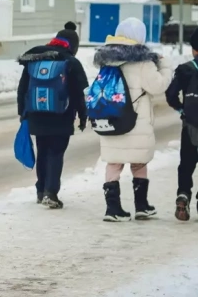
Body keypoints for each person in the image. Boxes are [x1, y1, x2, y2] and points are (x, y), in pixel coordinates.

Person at [93, 17, 173, 222]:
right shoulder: (142, 62)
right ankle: (142, 206)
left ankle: (112, 208)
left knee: (114, 162)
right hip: (136, 122)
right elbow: (158, 86)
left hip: (112, 118)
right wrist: (165, 66)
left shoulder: (107, 59)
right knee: (139, 163)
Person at [17, 22, 89, 208]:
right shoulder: (71, 62)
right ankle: (51, 192)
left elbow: (22, 88)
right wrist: (83, 116)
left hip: (37, 114)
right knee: (56, 153)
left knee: (43, 151)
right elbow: (78, 94)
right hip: (62, 116)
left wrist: (23, 114)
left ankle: (41, 191)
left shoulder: (36, 58)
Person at [165, 30, 198, 221]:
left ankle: (183, 195)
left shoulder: (185, 69)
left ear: (193, 49)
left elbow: (170, 95)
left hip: (190, 125)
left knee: (186, 164)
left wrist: (181, 109)